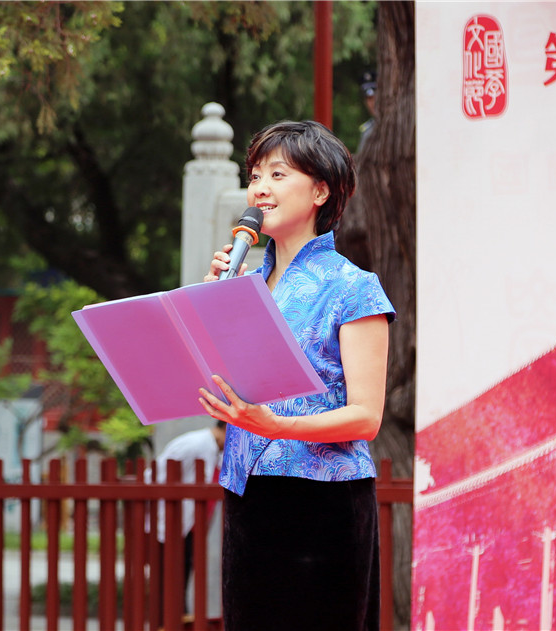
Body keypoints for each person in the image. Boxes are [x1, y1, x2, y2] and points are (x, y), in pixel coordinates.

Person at [200, 120, 395, 631]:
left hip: (322, 505)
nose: (260, 187)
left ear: (320, 190)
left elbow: (366, 418)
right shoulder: (243, 286)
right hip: (249, 494)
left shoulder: (354, 286)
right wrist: (210, 304)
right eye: (256, 174)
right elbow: (223, 381)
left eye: (278, 174)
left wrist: (277, 426)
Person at [150, 420, 226, 615]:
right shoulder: (194, 444)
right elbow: (156, 476)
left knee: (180, 582)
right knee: (169, 584)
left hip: (191, 527)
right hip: (171, 525)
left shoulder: (217, 451)